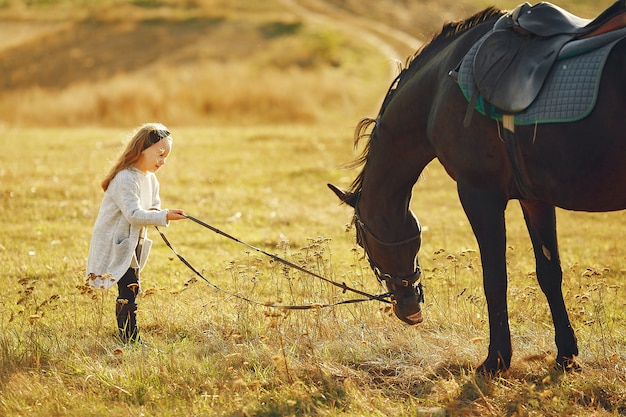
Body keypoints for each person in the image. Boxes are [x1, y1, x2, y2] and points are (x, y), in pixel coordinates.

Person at [86, 123, 186, 343]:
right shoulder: (125, 178)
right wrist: (165, 216)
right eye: (159, 154)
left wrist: (163, 213)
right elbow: (133, 214)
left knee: (131, 287)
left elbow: (151, 208)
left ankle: (129, 336)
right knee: (129, 289)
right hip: (116, 241)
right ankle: (130, 339)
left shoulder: (150, 178)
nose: (163, 160)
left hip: (132, 241)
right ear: (142, 149)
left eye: (166, 156)